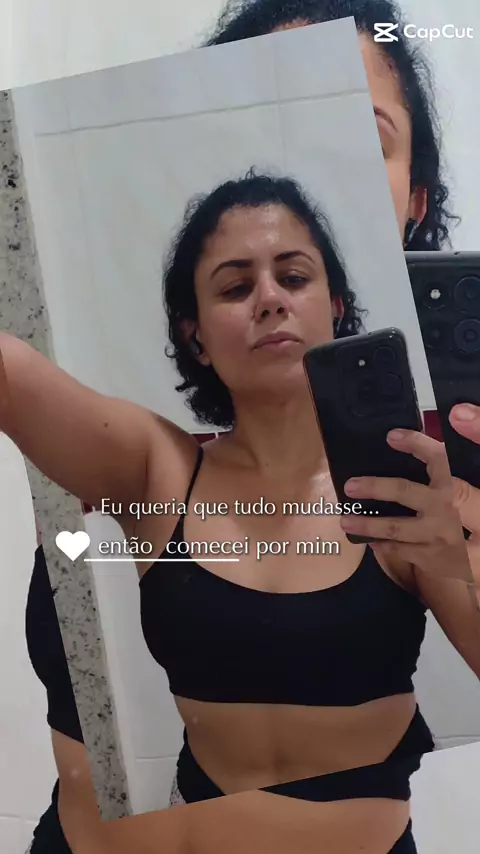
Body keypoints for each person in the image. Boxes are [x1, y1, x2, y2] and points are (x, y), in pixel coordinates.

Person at [15, 1, 478, 851]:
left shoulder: (423, 474)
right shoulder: (152, 467)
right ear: (193, 327)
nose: (269, 298)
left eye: (356, 131)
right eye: (235, 285)